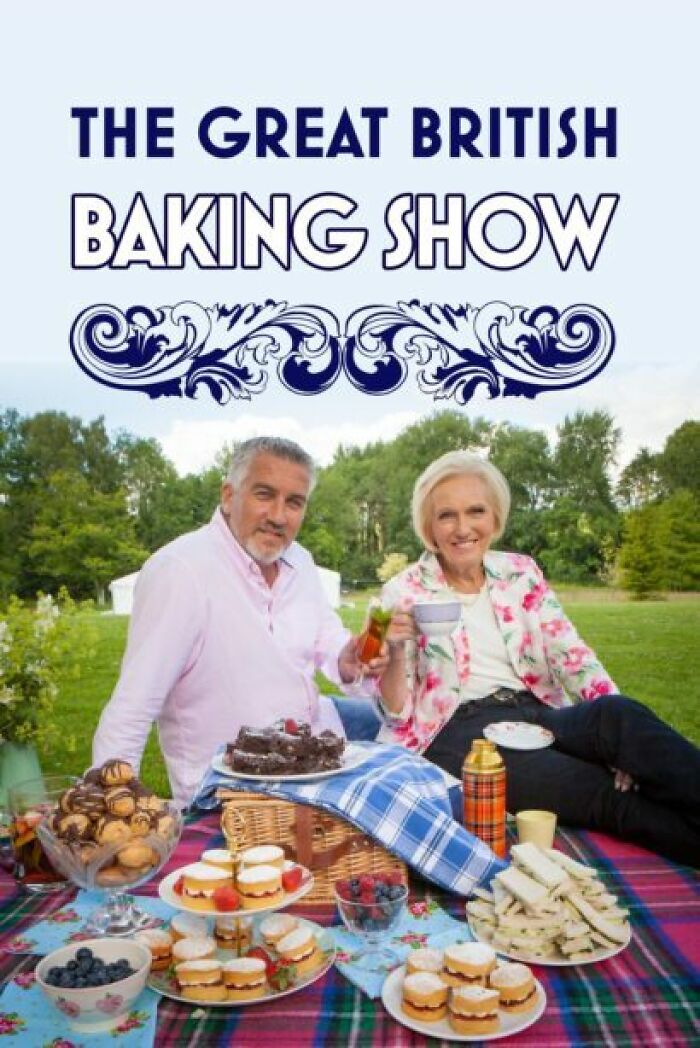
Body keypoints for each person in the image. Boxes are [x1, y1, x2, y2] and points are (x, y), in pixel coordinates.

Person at [376, 450, 700, 866]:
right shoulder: (400, 593)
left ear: (494, 518)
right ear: (429, 527)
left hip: (534, 712)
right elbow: (394, 712)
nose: (463, 528)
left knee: (619, 717)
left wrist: (624, 751)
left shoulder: (521, 572)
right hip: (460, 735)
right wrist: (395, 650)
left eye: (475, 511)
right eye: (446, 516)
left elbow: (571, 654)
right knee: (602, 793)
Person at [93, 436, 382, 808]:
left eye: (294, 502)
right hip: (236, 793)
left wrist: (346, 657)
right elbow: (133, 707)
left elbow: (327, 639)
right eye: (265, 495)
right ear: (229, 496)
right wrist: (106, 812)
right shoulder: (181, 571)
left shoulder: (301, 561)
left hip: (317, 759)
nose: (279, 516)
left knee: (417, 742)